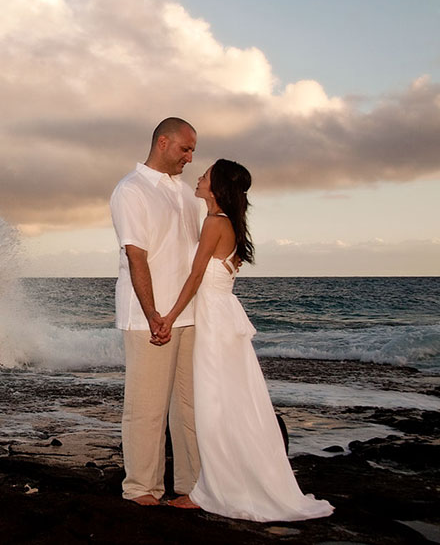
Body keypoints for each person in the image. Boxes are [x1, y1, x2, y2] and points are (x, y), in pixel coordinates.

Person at [159, 159, 334, 521]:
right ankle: (221, 482)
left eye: (205, 175)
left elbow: (194, 279)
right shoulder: (228, 224)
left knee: (214, 404)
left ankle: (213, 490)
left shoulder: (214, 223)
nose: (199, 178)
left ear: (217, 187)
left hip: (214, 323)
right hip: (221, 317)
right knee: (226, 401)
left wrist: (169, 316)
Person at [109, 117, 201, 506]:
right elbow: (136, 256)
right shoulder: (131, 190)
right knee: (146, 408)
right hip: (149, 316)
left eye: (193, 150)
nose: (190, 158)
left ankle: (192, 486)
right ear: (163, 143)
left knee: (190, 408)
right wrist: (152, 314)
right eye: (185, 149)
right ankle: (141, 490)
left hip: (190, 314)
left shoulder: (187, 195)